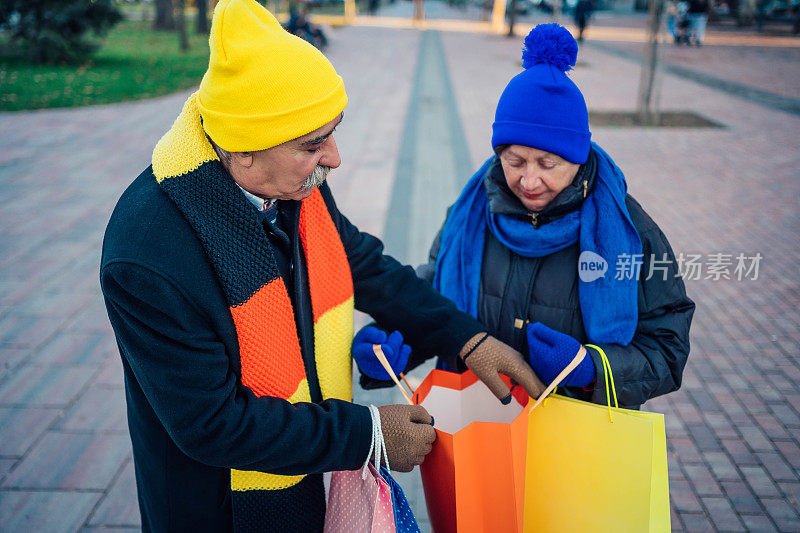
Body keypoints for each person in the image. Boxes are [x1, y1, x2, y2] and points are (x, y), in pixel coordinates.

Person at [100, 1, 544, 531]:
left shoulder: (289, 185)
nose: (334, 157)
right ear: (243, 152)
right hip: (217, 509)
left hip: (308, 474)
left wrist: (466, 338)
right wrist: (368, 435)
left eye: (333, 131)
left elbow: (362, 263)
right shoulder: (147, 255)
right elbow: (210, 424)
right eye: (313, 145)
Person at [354, 24, 694, 411]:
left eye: (548, 163)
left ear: (578, 158)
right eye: (513, 161)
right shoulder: (468, 215)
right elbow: (434, 299)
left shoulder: (633, 233)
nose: (528, 180)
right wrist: (392, 344)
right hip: (474, 433)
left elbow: (668, 350)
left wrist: (591, 368)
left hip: (574, 444)